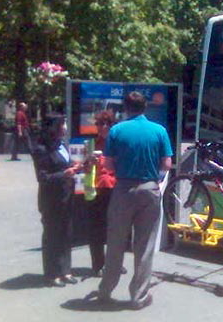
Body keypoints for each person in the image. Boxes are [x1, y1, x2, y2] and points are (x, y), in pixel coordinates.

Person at [87, 91, 172, 310]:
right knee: (144, 246)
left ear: (126, 108)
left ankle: (106, 291)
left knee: (115, 241)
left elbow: (107, 164)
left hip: (123, 189)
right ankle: (138, 296)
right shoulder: (159, 131)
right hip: (149, 190)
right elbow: (167, 164)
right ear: (145, 107)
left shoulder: (116, 130)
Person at [32, 115, 81, 287]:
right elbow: (43, 177)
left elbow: (67, 164)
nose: (65, 127)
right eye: (61, 124)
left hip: (66, 196)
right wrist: (65, 174)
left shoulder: (61, 145)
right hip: (51, 199)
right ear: (51, 127)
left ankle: (65, 270)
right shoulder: (41, 149)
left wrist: (80, 166)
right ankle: (52, 274)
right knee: (52, 235)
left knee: (66, 234)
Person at [84, 110, 122, 277]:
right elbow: (82, 168)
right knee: (97, 229)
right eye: (99, 124)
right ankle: (98, 265)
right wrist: (88, 161)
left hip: (116, 188)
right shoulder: (91, 144)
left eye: (106, 124)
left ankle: (115, 264)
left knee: (116, 229)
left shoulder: (119, 144)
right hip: (97, 190)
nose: (102, 127)